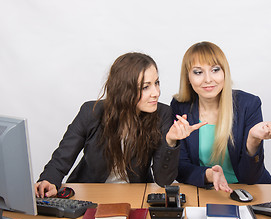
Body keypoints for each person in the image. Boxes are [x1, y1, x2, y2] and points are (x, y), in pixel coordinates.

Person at [35, 52, 205, 198]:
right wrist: (48, 181)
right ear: (124, 90)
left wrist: (170, 141)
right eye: (146, 87)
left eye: (157, 83)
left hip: (135, 195)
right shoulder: (90, 112)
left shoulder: (162, 114)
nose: (156, 92)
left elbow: (163, 180)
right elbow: (62, 157)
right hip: (89, 193)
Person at [171, 41, 271, 193]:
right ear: (188, 77)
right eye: (198, 72)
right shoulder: (180, 107)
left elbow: (250, 178)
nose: (208, 79)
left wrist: (253, 139)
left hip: (251, 191)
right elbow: (181, 167)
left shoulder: (248, 104)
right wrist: (209, 175)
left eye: (215, 70)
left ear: (225, 72)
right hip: (206, 191)